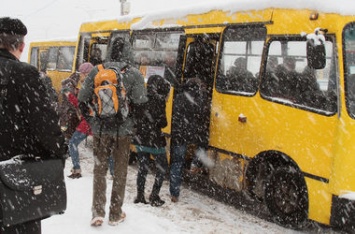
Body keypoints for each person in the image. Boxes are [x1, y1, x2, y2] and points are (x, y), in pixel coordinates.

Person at [0, 17, 67, 234]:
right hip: (13, 182)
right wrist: (59, 152)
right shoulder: (23, 74)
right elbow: (45, 125)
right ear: (21, 45)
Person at [78, 38, 148, 226]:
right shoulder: (134, 74)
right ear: (128, 52)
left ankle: (97, 213)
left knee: (99, 171)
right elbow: (141, 105)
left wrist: (93, 122)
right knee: (120, 172)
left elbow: (82, 99)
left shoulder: (96, 71)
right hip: (123, 133)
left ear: (109, 51)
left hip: (101, 131)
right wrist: (130, 124)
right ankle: (115, 213)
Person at [169, 77, 210, 203]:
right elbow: (203, 115)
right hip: (194, 134)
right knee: (203, 145)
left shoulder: (180, 97)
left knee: (177, 163)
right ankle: (196, 163)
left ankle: (174, 193)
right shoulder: (201, 99)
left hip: (179, 134)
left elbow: (175, 113)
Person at [133, 75, 170, 207]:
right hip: (155, 141)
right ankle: (154, 195)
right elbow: (163, 122)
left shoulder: (140, 97)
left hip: (140, 139)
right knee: (162, 168)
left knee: (143, 168)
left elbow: (135, 117)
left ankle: (140, 195)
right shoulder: (159, 100)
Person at [67, 62, 94, 179]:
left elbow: (81, 104)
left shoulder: (88, 85)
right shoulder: (95, 83)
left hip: (89, 121)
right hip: (97, 120)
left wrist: (69, 95)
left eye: (81, 73)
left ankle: (76, 169)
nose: (80, 76)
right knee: (105, 148)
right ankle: (114, 173)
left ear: (86, 73)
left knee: (72, 143)